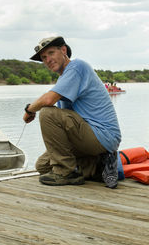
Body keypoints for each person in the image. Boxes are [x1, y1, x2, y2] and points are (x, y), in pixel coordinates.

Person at [23, 36, 121, 188]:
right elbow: (65, 124)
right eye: (44, 57)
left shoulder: (77, 67)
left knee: (48, 113)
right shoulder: (64, 79)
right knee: (42, 166)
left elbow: (48, 101)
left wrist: (29, 110)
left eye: (51, 53)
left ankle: (66, 173)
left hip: (103, 135)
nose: (48, 59)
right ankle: (97, 166)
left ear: (63, 50)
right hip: (87, 136)